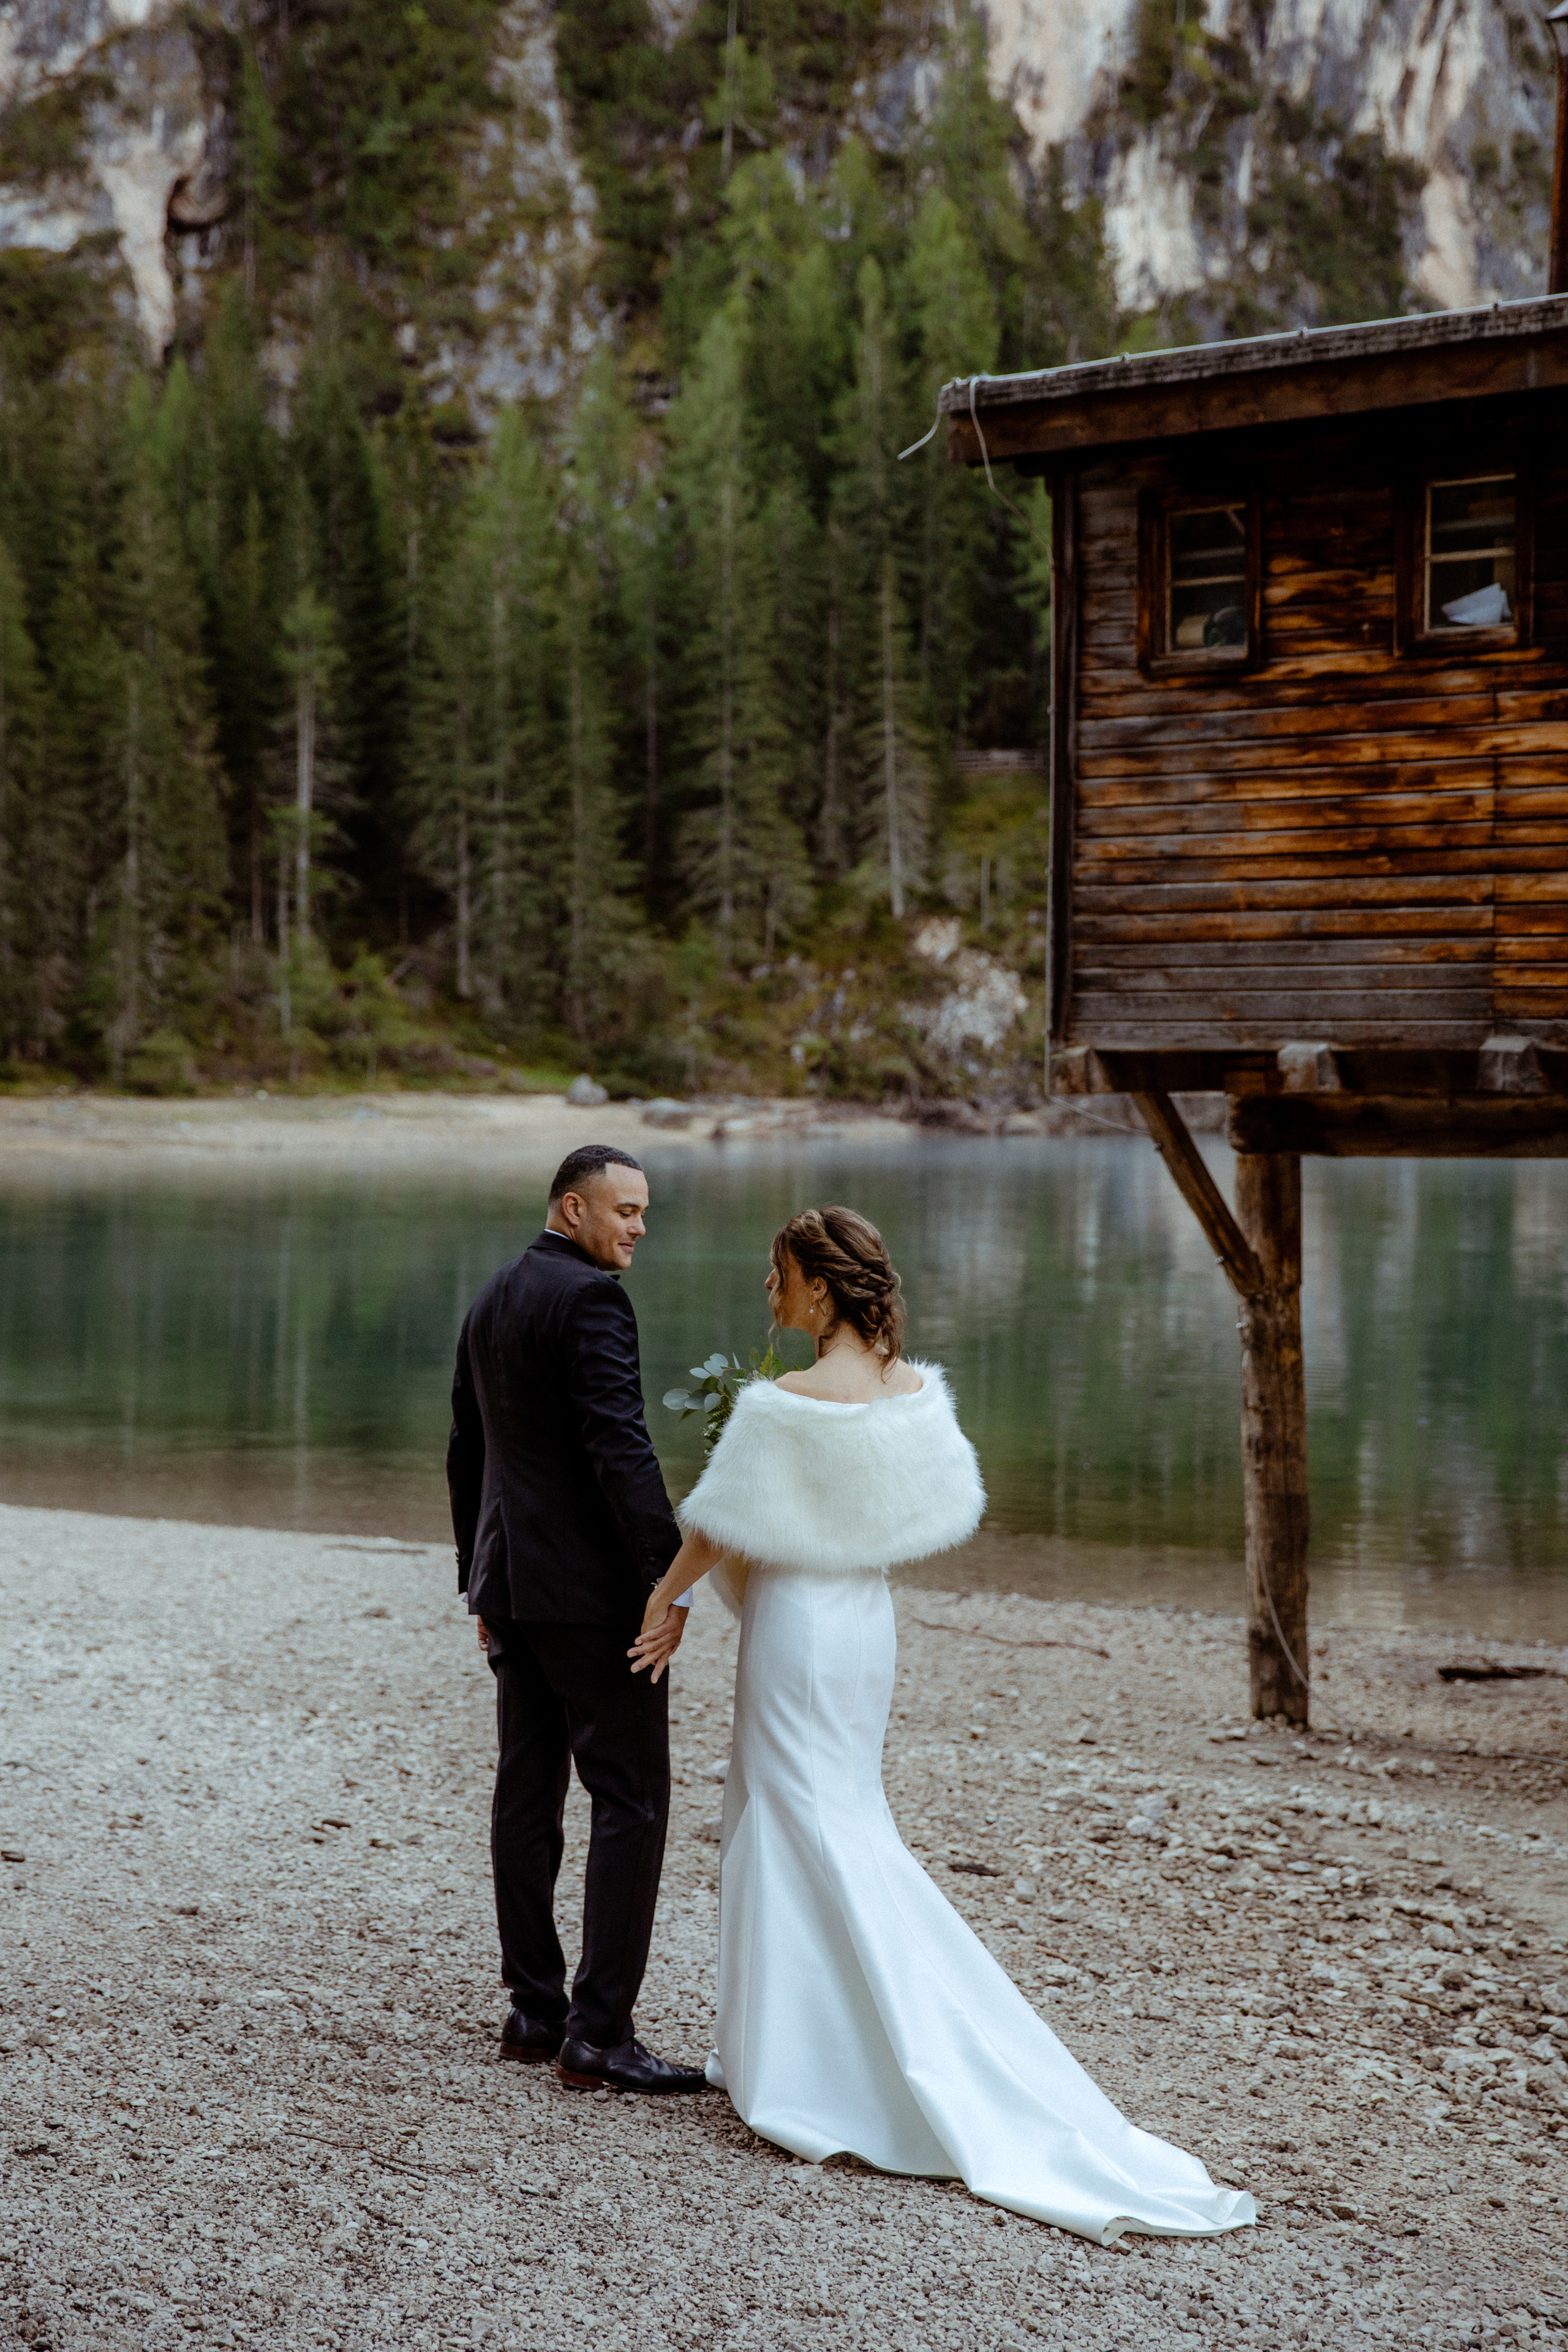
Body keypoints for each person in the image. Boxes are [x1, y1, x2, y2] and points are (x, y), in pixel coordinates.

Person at [631, 1204, 1257, 2241]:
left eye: (780, 1276)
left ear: (822, 1289)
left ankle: (810, 2070)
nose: (770, 1294)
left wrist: (667, 1599)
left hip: (795, 1631)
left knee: (795, 1826)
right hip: (864, 1626)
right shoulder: (913, 1393)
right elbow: (921, 1507)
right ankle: (798, 2051)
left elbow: (712, 1520)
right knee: (839, 1821)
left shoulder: (787, 1398)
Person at [447, 1142, 706, 2094]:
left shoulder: (495, 1294)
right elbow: (621, 1450)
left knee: (527, 1795)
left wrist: (479, 1580)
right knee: (631, 1799)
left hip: (514, 1587)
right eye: (625, 1211)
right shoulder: (591, 1300)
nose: (638, 1227)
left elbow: (466, 1450)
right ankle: (599, 2033)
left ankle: (533, 2008)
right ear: (572, 1209)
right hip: (592, 1601)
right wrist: (667, 1580)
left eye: (644, 1212)